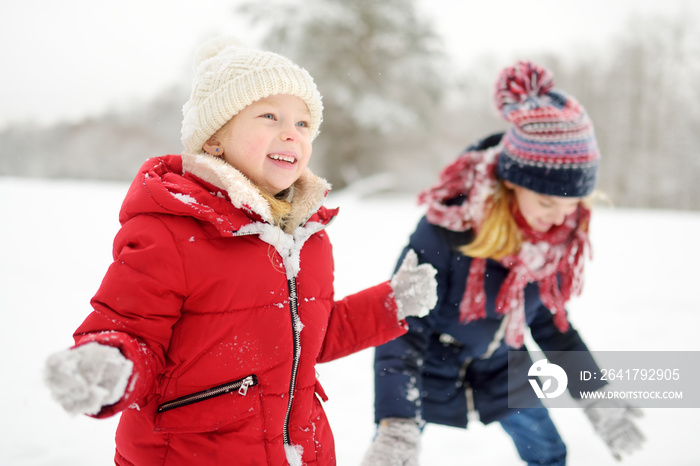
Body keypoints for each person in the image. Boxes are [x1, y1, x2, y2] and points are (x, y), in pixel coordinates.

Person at [43, 37, 438, 466]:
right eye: (269, 116)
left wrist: (390, 304)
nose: (291, 132)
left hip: (298, 450)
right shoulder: (172, 232)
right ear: (214, 140)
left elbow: (308, 336)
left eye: (303, 124)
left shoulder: (308, 237)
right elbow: (132, 329)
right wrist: (110, 363)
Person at [361, 61, 645, 466]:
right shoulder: (448, 227)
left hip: (502, 362)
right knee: (394, 456)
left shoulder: (553, 242)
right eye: (547, 201)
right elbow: (402, 327)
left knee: (549, 453)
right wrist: (395, 423)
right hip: (427, 362)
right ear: (512, 180)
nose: (560, 218)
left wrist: (597, 396)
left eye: (572, 205)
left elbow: (552, 325)